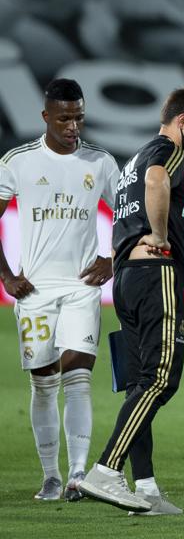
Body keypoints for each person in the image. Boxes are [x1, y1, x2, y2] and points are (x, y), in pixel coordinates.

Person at [77, 87, 184, 515]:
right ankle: (106, 469)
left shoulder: (132, 159)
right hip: (155, 274)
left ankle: (146, 488)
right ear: (183, 122)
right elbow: (158, 180)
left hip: (125, 278)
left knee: (140, 383)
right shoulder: (166, 150)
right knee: (160, 379)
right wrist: (159, 237)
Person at [0, 79, 119, 502]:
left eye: (79, 117)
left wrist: (112, 257)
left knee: (79, 376)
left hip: (82, 286)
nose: (73, 126)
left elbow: (128, 215)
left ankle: (78, 474)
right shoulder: (18, 161)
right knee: (43, 381)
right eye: (65, 118)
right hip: (34, 290)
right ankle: (50, 475)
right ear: (46, 116)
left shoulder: (100, 162)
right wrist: (7, 275)